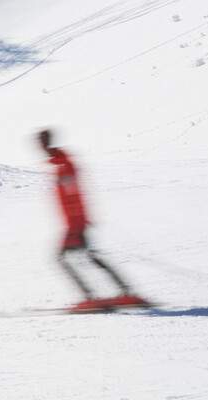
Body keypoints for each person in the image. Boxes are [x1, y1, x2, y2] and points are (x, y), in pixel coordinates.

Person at [39, 129, 142, 308]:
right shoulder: (61, 164)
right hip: (76, 223)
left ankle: (92, 298)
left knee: (63, 258)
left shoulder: (65, 167)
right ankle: (124, 293)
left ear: (47, 143)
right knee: (89, 257)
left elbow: (74, 197)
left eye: (42, 142)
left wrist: (76, 226)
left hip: (75, 224)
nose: (40, 147)